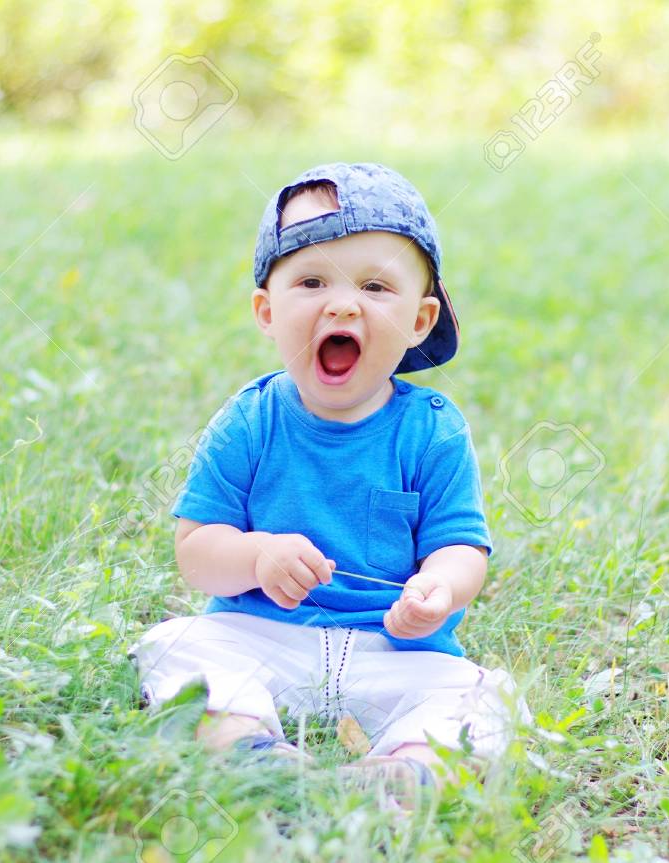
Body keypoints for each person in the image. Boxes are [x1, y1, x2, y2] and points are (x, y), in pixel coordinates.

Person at [127, 163, 529, 798]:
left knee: (487, 699)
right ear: (267, 310)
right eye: (312, 281)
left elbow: (461, 547)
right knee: (174, 646)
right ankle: (251, 752)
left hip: (393, 652)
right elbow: (197, 553)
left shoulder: (433, 429)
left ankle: (404, 772)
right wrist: (257, 556)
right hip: (261, 638)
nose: (342, 303)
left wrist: (440, 589)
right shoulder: (249, 421)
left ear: (420, 321)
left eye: (375, 286)